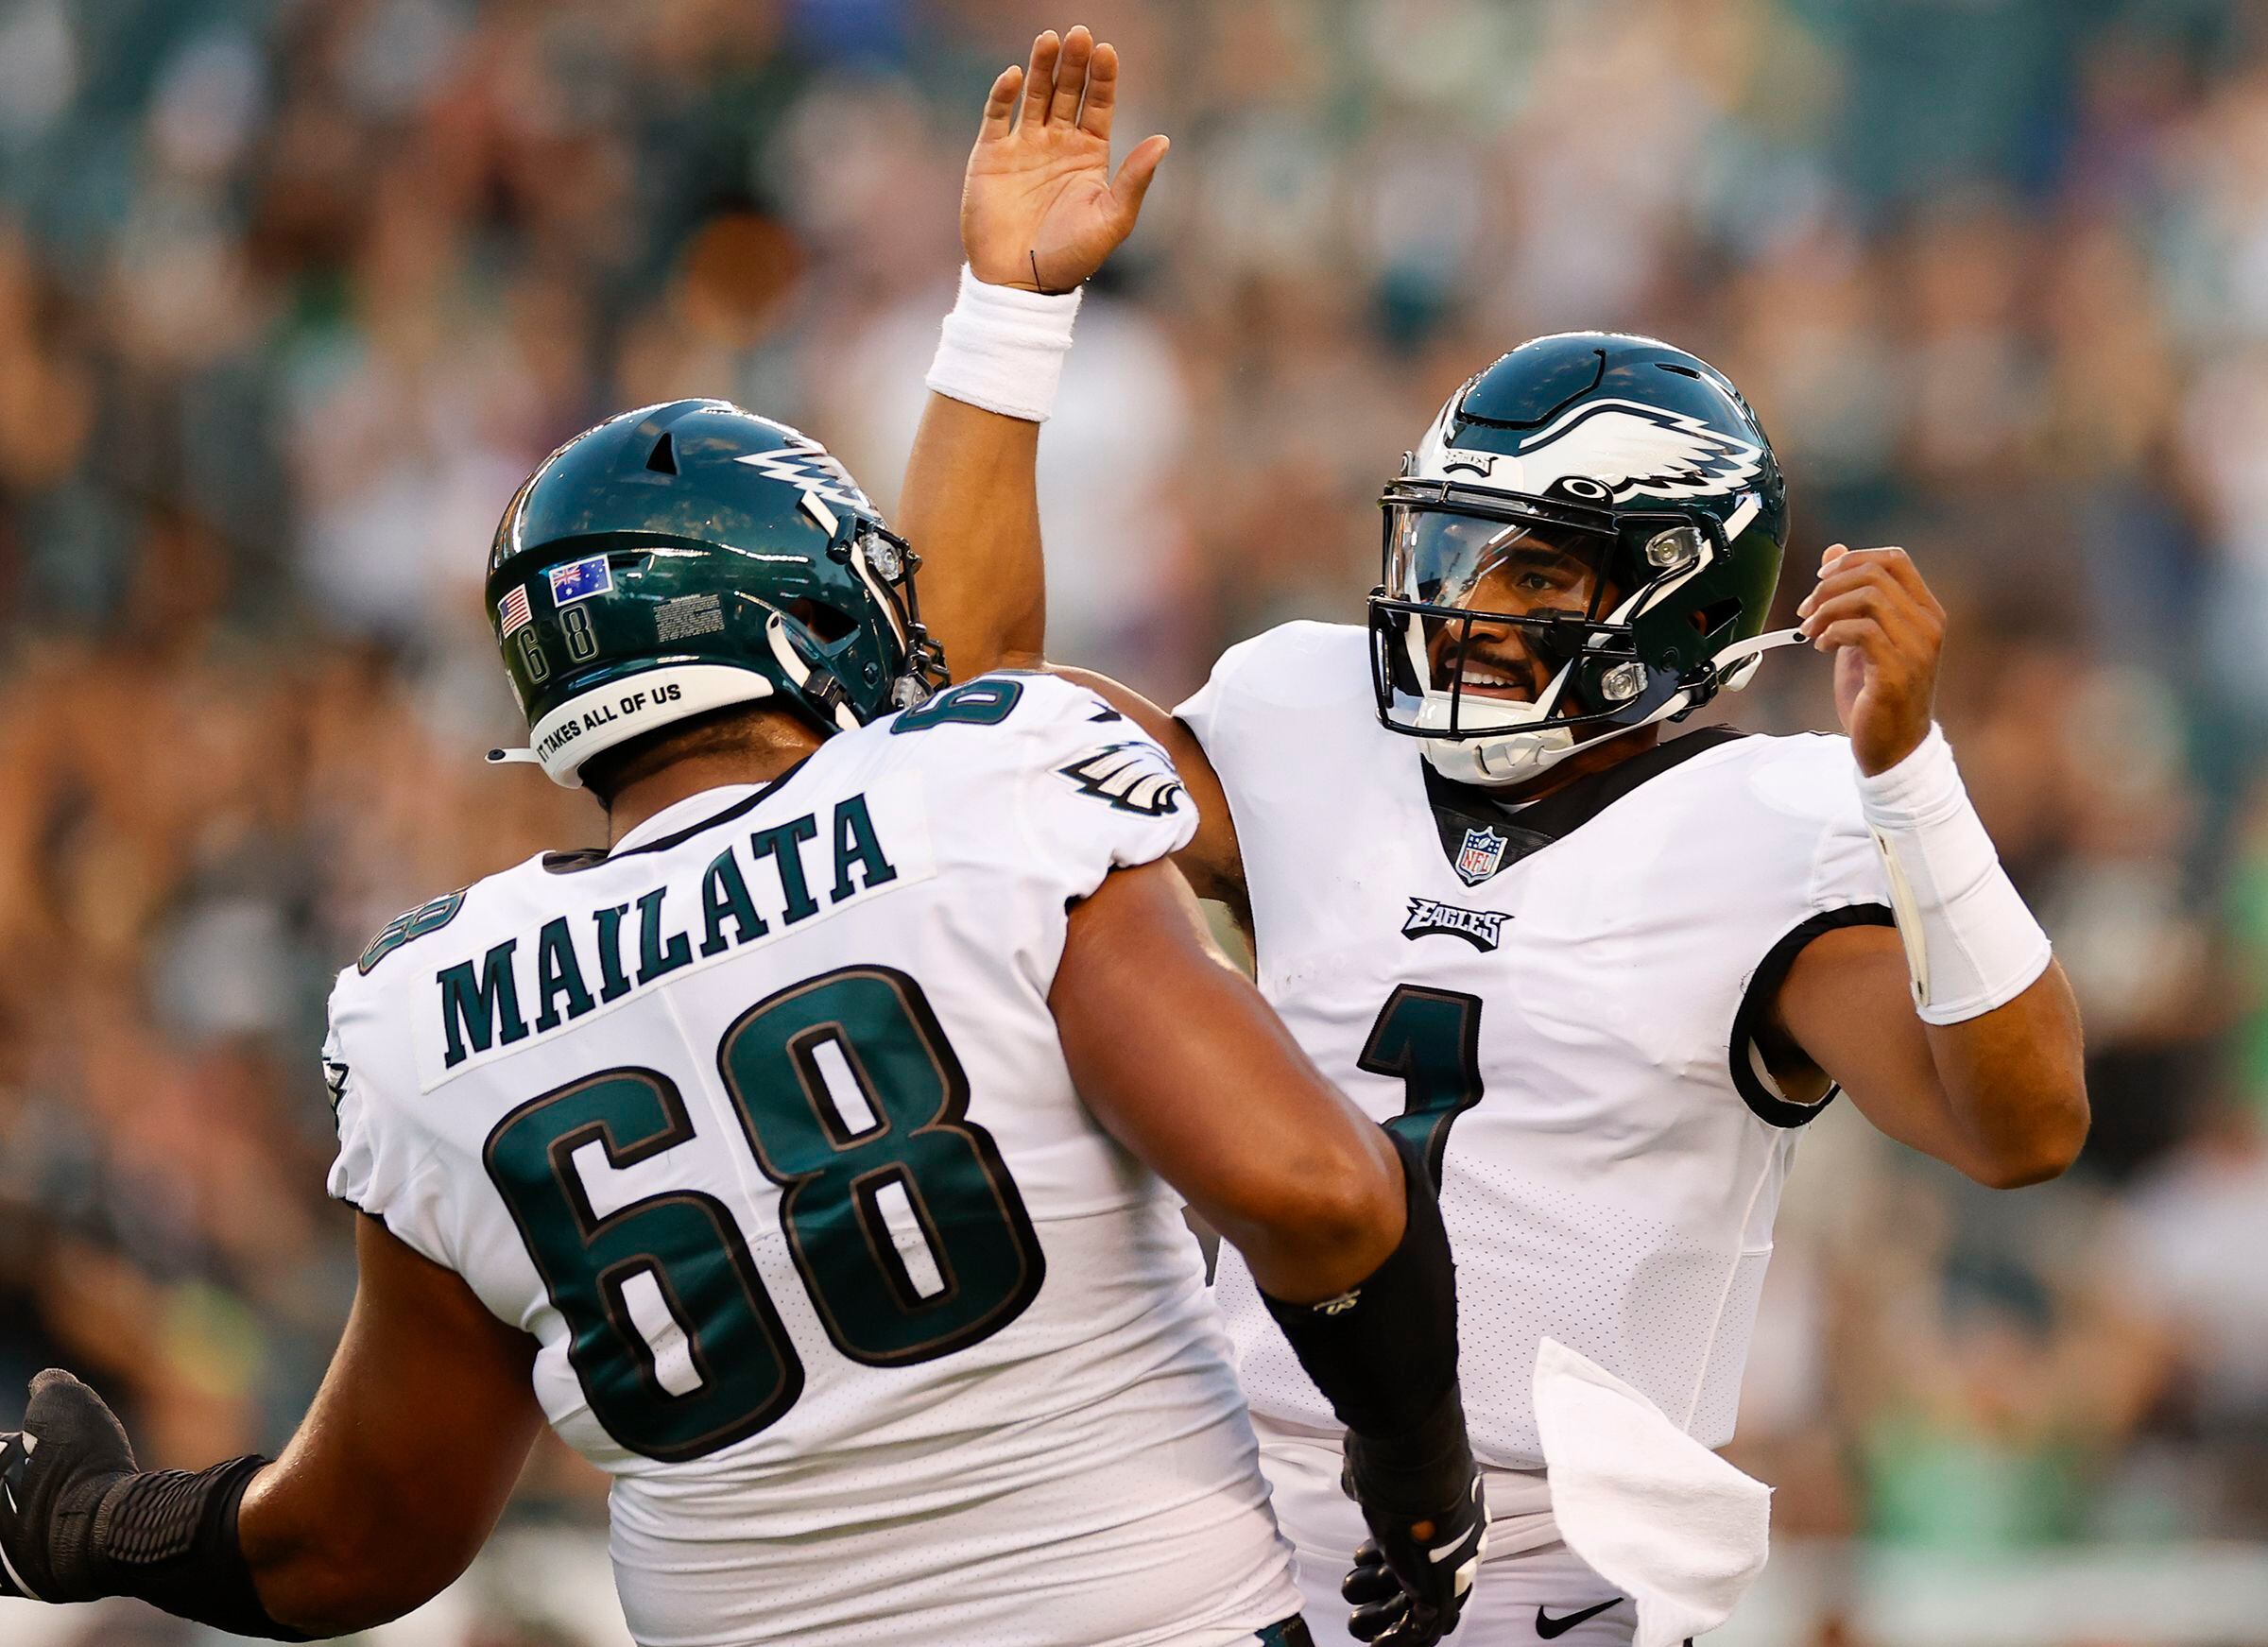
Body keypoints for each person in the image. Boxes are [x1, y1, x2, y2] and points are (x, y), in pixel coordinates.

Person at [896, 27, 2091, 1647]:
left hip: (1553, 1562)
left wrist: (1911, 779)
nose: (1461, 612)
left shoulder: (1778, 826)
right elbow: (968, 726)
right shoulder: (1306, 711)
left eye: (1531, 577)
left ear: (1678, 596)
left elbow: (2020, 1130)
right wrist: (1012, 316)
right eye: (1455, 555)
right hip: (1214, 1512)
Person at [0, 401, 1488, 1647]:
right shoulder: (981, 786)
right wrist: (1419, 1482)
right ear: (818, 606)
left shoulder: (423, 1002)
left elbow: (356, 1542)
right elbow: (1320, 1194)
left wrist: (95, 1525)